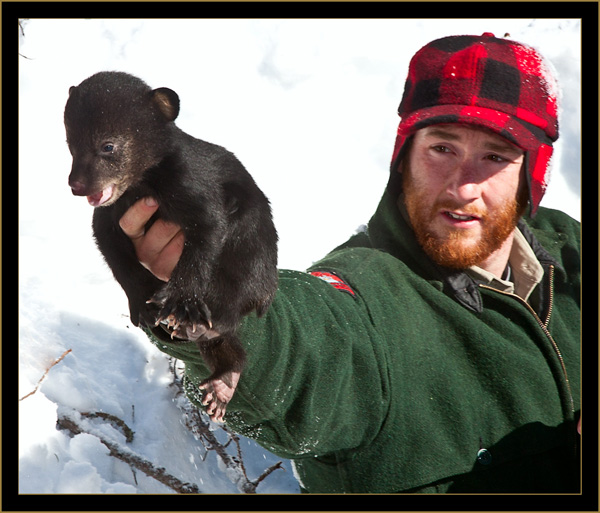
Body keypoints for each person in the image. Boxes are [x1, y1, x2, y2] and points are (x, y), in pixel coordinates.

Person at [118, 33, 580, 493]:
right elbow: (304, 349)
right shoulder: (367, 297)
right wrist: (211, 288)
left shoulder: (572, 250)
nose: (463, 187)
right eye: (442, 149)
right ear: (406, 157)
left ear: (532, 174)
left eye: (495, 157)